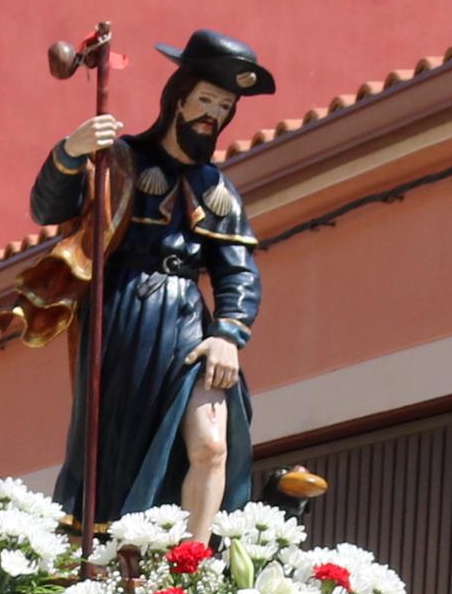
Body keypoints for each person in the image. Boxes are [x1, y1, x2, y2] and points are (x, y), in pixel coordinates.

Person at [31, 28, 272, 536]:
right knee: (116, 452)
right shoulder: (121, 159)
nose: (214, 114)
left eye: (224, 106)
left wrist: (228, 334)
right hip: (125, 317)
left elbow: (237, 269)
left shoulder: (218, 189)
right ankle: (117, 555)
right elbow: (49, 208)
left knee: (211, 445)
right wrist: (72, 152)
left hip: (190, 322)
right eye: (206, 99)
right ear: (179, 98)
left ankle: (193, 566)